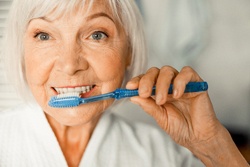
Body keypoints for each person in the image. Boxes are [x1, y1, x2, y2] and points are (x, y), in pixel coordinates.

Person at [0, 0, 248, 166]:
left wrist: (212, 145)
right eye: (44, 35)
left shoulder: (161, 155)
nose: (69, 64)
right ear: (22, 51)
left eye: (97, 35)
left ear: (128, 50)